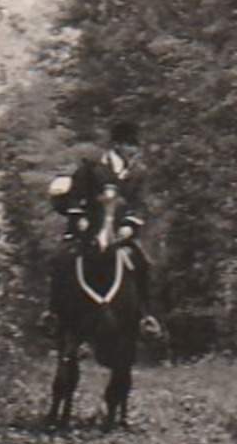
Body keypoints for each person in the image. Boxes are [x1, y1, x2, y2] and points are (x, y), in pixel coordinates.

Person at [46, 120, 156, 332]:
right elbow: (75, 197)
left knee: (144, 263)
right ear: (117, 145)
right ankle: (52, 313)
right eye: (129, 145)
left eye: (135, 146)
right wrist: (80, 218)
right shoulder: (91, 167)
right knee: (60, 259)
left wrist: (130, 226)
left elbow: (139, 203)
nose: (132, 150)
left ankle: (146, 315)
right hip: (88, 229)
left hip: (121, 231)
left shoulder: (138, 173)